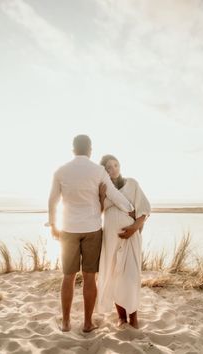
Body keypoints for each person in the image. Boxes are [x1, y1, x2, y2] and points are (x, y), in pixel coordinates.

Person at [48, 135, 135, 332]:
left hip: (68, 229)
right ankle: (87, 323)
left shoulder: (61, 171)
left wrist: (53, 224)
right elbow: (114, 194)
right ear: (90, 150)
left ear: (73, 150)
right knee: (89, 277)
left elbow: (52, 200)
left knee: (68, 277)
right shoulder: (98, 171)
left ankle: (66, 322)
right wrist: (130, 208)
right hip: (92, 229)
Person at [97, 154, 151, 329]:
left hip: (131, 238)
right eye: (108, 167)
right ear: (104, 171)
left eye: (115, 165)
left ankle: (133, 316)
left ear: (120, 166)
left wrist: (133, 228)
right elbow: (97, 212)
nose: (113, 169)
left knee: (130, 277)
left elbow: (144, 211)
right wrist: (100, 196)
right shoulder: (103, 187)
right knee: (114, 276)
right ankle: (121, 317)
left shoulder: (132, 184)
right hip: (111, 239)